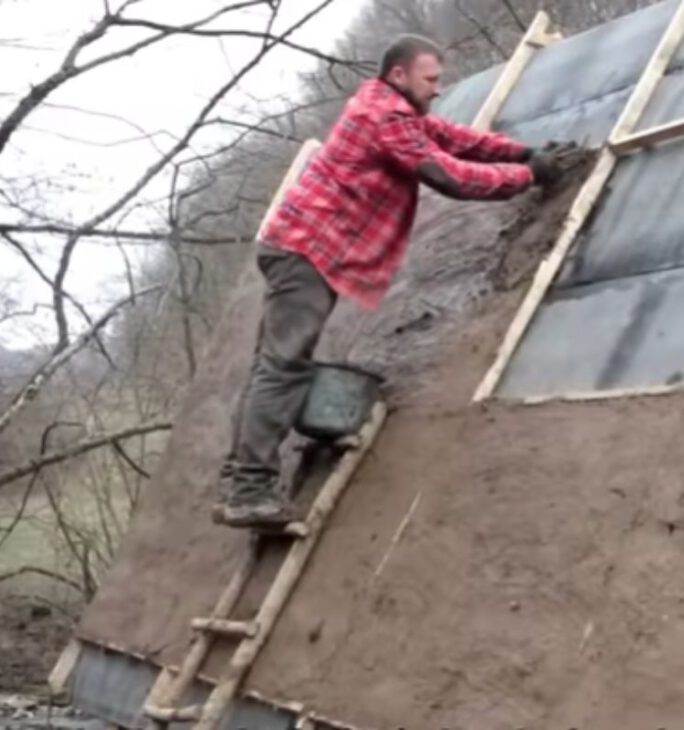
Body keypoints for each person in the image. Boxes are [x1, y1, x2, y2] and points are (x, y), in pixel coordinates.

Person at [213, 34, 572, 528]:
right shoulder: (385, 118)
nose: (439, 88)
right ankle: (249, 489)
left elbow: (455, 138)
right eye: (431, 79)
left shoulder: (395, 112)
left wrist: (524, 153)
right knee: (283, 368)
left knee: (271, 368)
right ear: (399, 75)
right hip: (307, 249)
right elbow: (449, 175)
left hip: (302, 247)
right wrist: (527, 178)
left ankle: (240, 481)